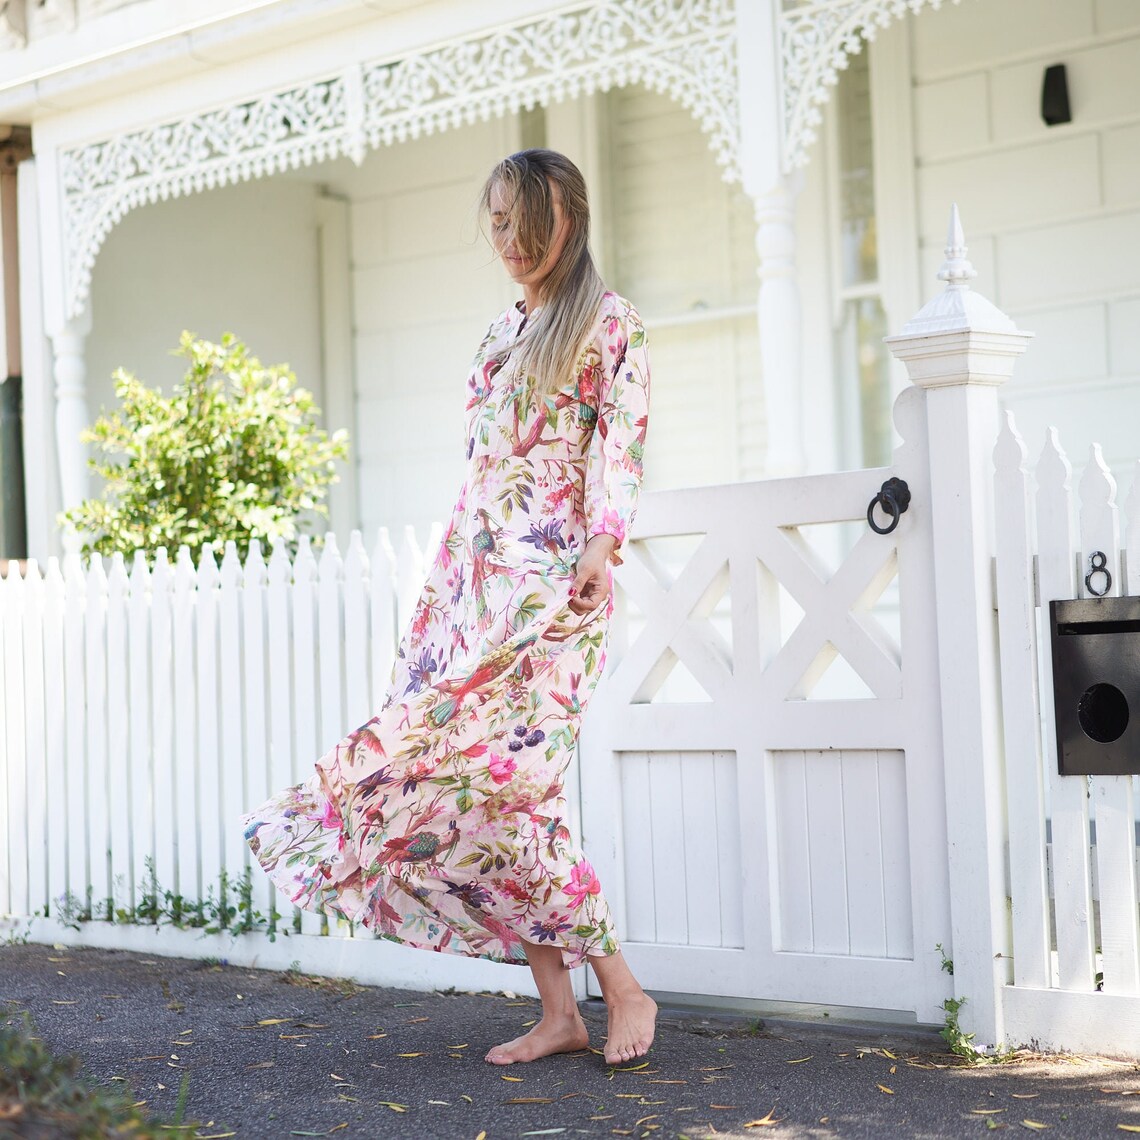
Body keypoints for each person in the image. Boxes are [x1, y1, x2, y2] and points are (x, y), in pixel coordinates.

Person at [240, 148, 655, 1066]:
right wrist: (443, 604)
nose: (509, 241)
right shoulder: (503, 334)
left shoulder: (610, 324)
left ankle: (622, 989)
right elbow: (479, 482)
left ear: (569, 223)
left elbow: (618, 449)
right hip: (471, 591)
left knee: (518, 788)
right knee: (483, 800)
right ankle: (564, 1009)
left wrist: (600, 544)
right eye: (499, 223)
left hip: (549, 595)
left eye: (526, 223)